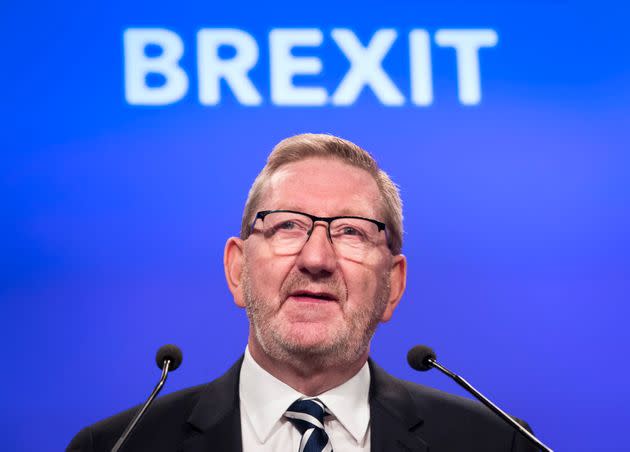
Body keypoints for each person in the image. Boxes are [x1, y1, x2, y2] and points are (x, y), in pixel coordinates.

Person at [68, 134, 537, 451]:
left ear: (393, 285)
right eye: (288, 226)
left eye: (352, 232)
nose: (316, 259)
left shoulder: (496, 443)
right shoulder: (120, 445)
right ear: (237, 270)